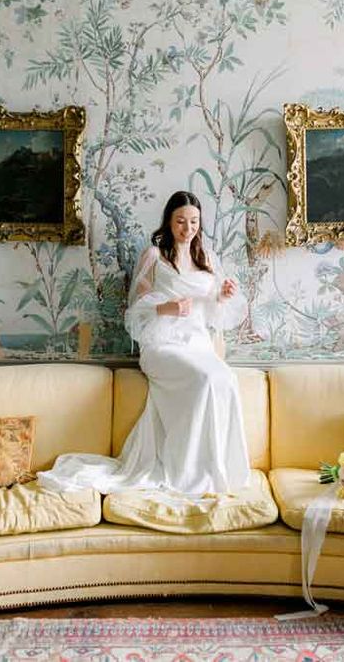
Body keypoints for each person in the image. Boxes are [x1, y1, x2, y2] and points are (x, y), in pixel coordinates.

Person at [37, 191, 250, 496]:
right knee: (205, 379)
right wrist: (169, 308)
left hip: (198, 344)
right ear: (169, 222)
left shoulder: (208, 259)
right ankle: (186, 473)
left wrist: (224, 295)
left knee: (226, 378)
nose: (187, 228)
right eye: (180, 221)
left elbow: (215, 312)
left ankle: (217, 469)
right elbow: (136, 311)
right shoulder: (154, 256)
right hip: (162, 345)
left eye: (193, 222)